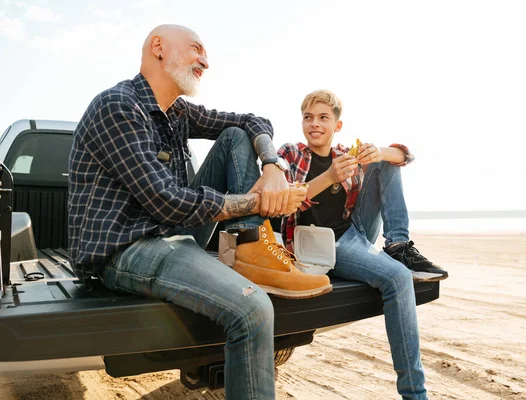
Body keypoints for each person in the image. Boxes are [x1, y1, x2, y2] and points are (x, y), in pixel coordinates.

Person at [68, 24, 330, 399]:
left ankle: (252, 247)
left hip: (170, 232)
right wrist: (259, 202)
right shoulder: (117, 106)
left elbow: (253, 120)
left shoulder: (176, 111)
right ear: (158, 48)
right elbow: (167, 202)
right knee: (253, 310)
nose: (205, 61)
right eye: (196, 49)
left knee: (235, 137)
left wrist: (273, 165)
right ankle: (251, 245)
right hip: (126, 248)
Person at [277, 89, 449, 399]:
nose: (314, 124)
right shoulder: (291, 153)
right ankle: (415, 394)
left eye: (323, 118)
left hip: (355, 230)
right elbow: (285, 203)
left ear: (337, 125)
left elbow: (404, 156)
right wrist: (329, 176)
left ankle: (397, 245)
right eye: (308, 117)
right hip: (321, 245)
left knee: (384, 163)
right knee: (397, 278)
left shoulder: (346, 153)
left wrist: (379, 151)